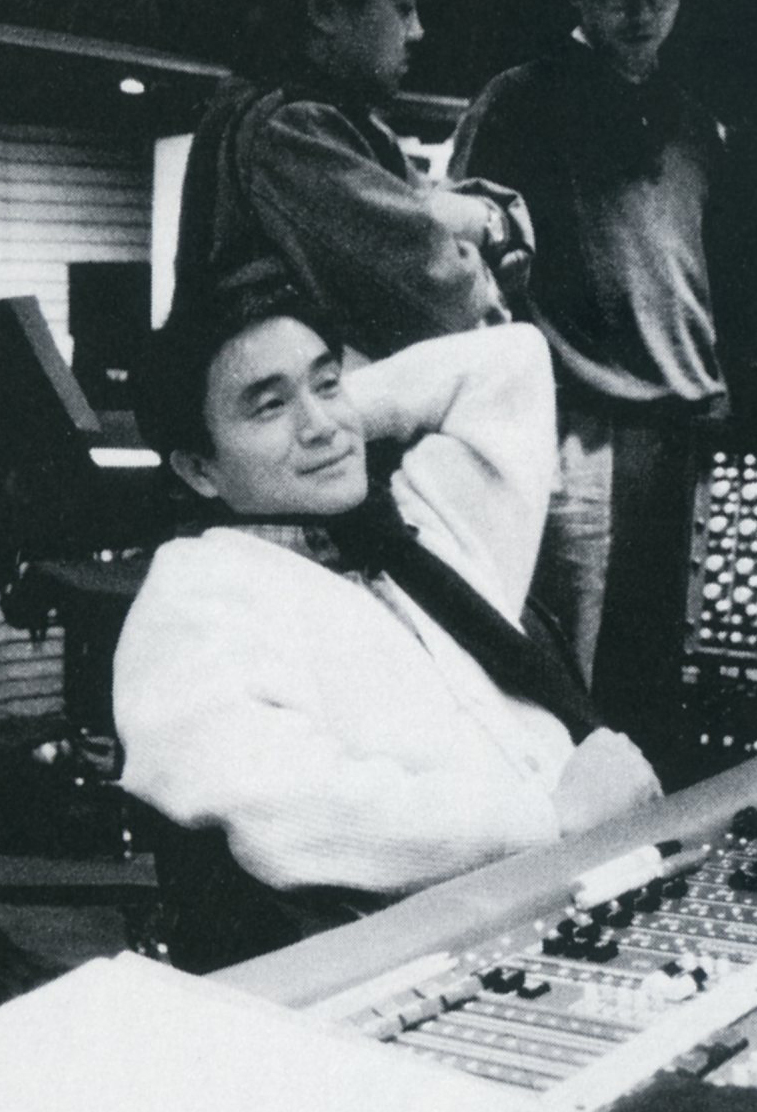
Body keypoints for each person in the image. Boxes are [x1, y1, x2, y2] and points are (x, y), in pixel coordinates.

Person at [111, 294, 662, 947]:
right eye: (268, 406)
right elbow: (292, 812)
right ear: (199, 468)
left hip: (607, 880)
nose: (321, 425)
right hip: (459, 938)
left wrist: (332, 417)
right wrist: (549, 819)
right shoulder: (192, 600)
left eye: (327, 382)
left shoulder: (423, 531)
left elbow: (508, 362)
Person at [448, 0, 728, 750]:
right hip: (578, 427)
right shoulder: (519, 100)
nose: (640, 9)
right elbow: (456, 253)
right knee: (573, 685)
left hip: (685, 425)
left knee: (664, 671)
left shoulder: (692, 121)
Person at [173, 0, 530, 360]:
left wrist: (477, 221)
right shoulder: (290, 130)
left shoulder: (325, 122)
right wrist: (488, 225)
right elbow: (454, 308)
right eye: (404, 5)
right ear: (324, 9)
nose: (418, 31)